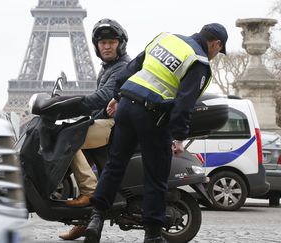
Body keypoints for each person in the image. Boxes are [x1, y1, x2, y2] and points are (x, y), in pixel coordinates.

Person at [84, 23, 228, 243]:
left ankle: (96, 218)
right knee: (156, 177)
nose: (216, 54)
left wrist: (116, 96)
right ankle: (152, 235)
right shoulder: (198, 61)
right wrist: (179, 136)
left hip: (126, 107)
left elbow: (131, 68)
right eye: (219, 50)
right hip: (152, 115)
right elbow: (184, 103)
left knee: (114, 166)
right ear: (216, 44)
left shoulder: (166, 38)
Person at [58, 18, 131, 240]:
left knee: (69, 139)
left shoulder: (121, 67)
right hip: (108, 123)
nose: (106, 46)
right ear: (97, 47)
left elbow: (102, 98)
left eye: (111, 41)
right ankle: (84, 219)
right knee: (76, 135)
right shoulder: (108, 67)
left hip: (117, 126)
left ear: (120, 44)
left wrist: (70, 105)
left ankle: (90, 193)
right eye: (102, 43)